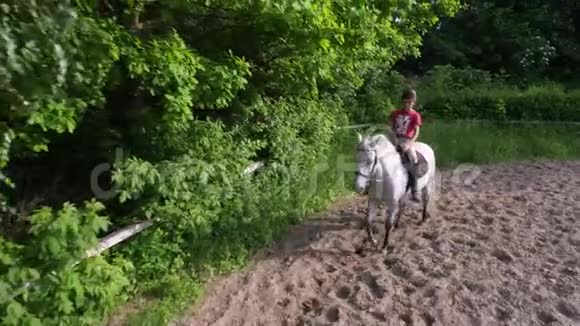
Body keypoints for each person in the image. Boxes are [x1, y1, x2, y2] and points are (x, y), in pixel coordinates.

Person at [389, 89, 422, 202]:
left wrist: (409, 143)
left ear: (413, 102)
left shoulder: (415, 115)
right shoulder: (395, 113)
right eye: (405, 102)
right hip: (395, 138)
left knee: (413, 158)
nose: (407, 104)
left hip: (407, 140)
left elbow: (416, 131)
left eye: (410, 102)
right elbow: (391, 128)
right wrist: (394, 139)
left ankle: (415, 189)